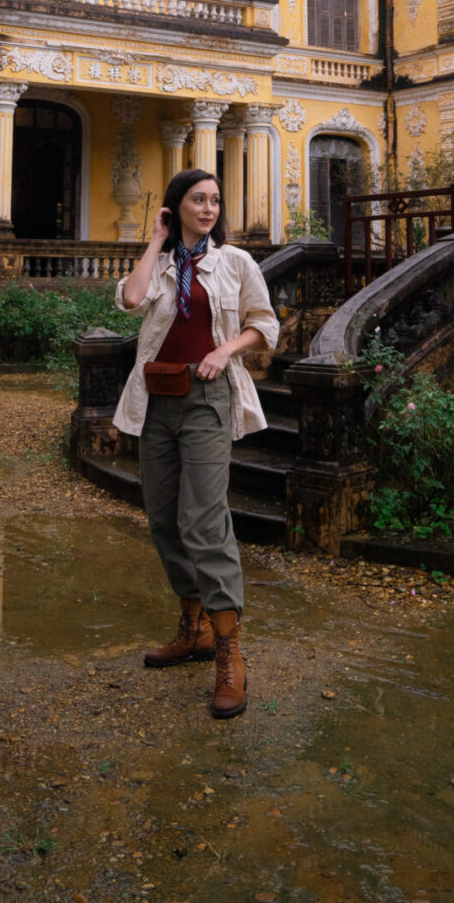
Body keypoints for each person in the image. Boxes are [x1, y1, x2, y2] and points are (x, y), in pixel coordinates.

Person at [114, 167, 280, 719]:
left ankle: (229, 650)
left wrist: (224, 350)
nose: (208, 208)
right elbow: (130, 300)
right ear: (176, 206)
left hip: (209, 398)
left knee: (204, 521)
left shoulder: (235, 262)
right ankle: (195, 627)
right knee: (163, 518)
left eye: (214, 200)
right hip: (156, 400)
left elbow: (265, 325)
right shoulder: (161, 262)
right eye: (197, 199)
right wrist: (155, 240)